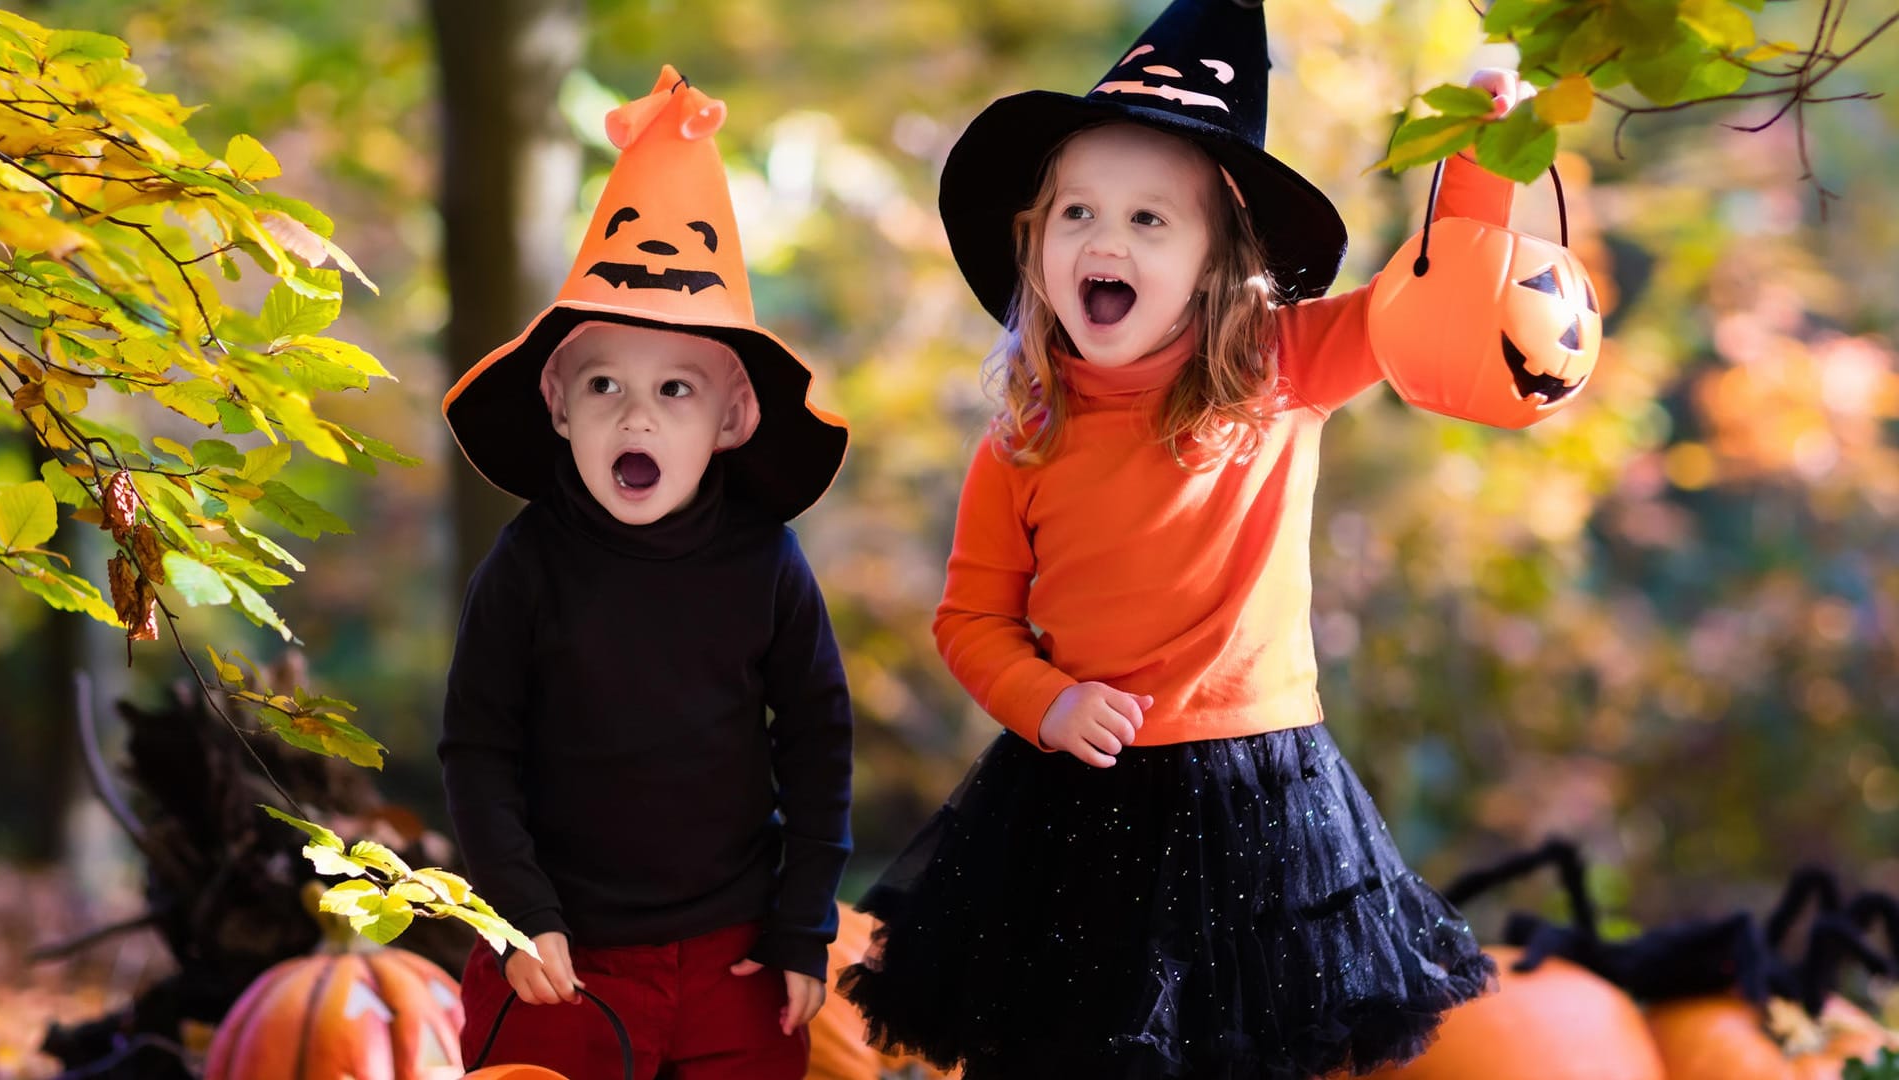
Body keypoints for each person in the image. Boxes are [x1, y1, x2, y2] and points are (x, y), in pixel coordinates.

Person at [839, 2, 1547, 1076]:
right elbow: (971, 619)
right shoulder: (1023, 442)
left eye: (1149, 221)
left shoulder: (1284, 367)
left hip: (1259, 802)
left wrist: (1489, 145)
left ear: (1221, 261)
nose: (1104, 240)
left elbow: (1439, 288)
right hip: (1079, 800)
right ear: (1033, 244)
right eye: (1076, 212)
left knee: (1245, 1053)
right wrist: (1049, 701)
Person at [440, 66, 853, 1080]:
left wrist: (803, 923)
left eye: (676, 389)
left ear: (731, 418)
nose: (637, 416)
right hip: (566, 956)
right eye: (604, 384)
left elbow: (815, 740)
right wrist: (520, 911)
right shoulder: (529, 563)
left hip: (737, 954)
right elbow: (477, 749)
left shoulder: (766, 563)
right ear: (557, 402)